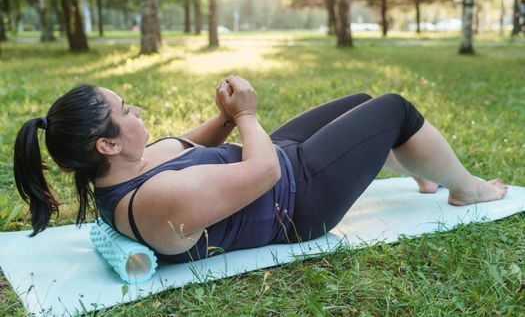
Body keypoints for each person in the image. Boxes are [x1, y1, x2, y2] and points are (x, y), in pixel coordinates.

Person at [13, 77, 507, 263]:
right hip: (298, 199)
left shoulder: (125, 168)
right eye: (127, 110)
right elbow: (263, 175)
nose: (137, 111)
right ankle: (466, 188)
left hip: (277, 158)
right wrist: (248, 116)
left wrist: (227, 117)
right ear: (106, 143)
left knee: (360, 102)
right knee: (395, 108)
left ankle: (421, 165)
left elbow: (189, 146)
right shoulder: (156, 205)